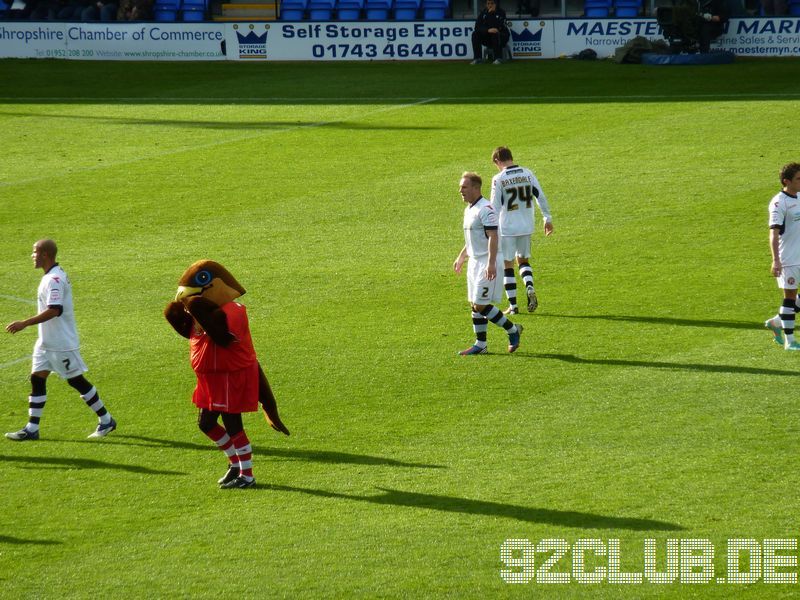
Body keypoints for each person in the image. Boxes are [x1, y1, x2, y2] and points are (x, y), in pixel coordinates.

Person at [5, 240, 116, 440]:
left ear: (45, 254)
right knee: (37, 379)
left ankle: (106, 420)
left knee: (76, 381)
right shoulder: (50, 276)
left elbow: (55, 310)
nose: (32, 255)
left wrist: (25, 323)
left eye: (35, 252)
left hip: (60, 344)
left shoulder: (54, 280)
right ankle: (32, 428)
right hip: (45, 342)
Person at [453, 172, 523, 355]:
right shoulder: (469, 209)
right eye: (461, 187)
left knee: (480, 305)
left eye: (464, 187)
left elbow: (493, 237)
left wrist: (491, 264)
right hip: (475, 261)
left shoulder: (486, 209)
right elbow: (472, 238)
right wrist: (462, 256)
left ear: (476, 188)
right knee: (474, 303)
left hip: (487, 261)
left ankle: (513, 329)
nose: (461, 191)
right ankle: (481, 344)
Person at [490, 146, 553, 315]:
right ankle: (529, 286)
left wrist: (489, 229)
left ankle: (513, 306)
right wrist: (547, 218)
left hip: (507, 228)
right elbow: (540, 195)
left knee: (508, 265)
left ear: (497, 161)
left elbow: (494, 207)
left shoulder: (499, 178)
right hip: (526, 226)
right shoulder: (527, 173)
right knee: (523, 261)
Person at [470, 0, 510, 65]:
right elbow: (477, 27)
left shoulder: (501, 12)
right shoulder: (483, 13)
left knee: (495, 33)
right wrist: (487, 30)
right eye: (488, 3)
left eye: (492, 3)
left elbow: (498, 27)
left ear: (495, 4)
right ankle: (477, 58)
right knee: (475, 34)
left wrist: (491, 14)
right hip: (488, 37)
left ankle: (498, 58)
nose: (490, 5)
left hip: (501, 36)